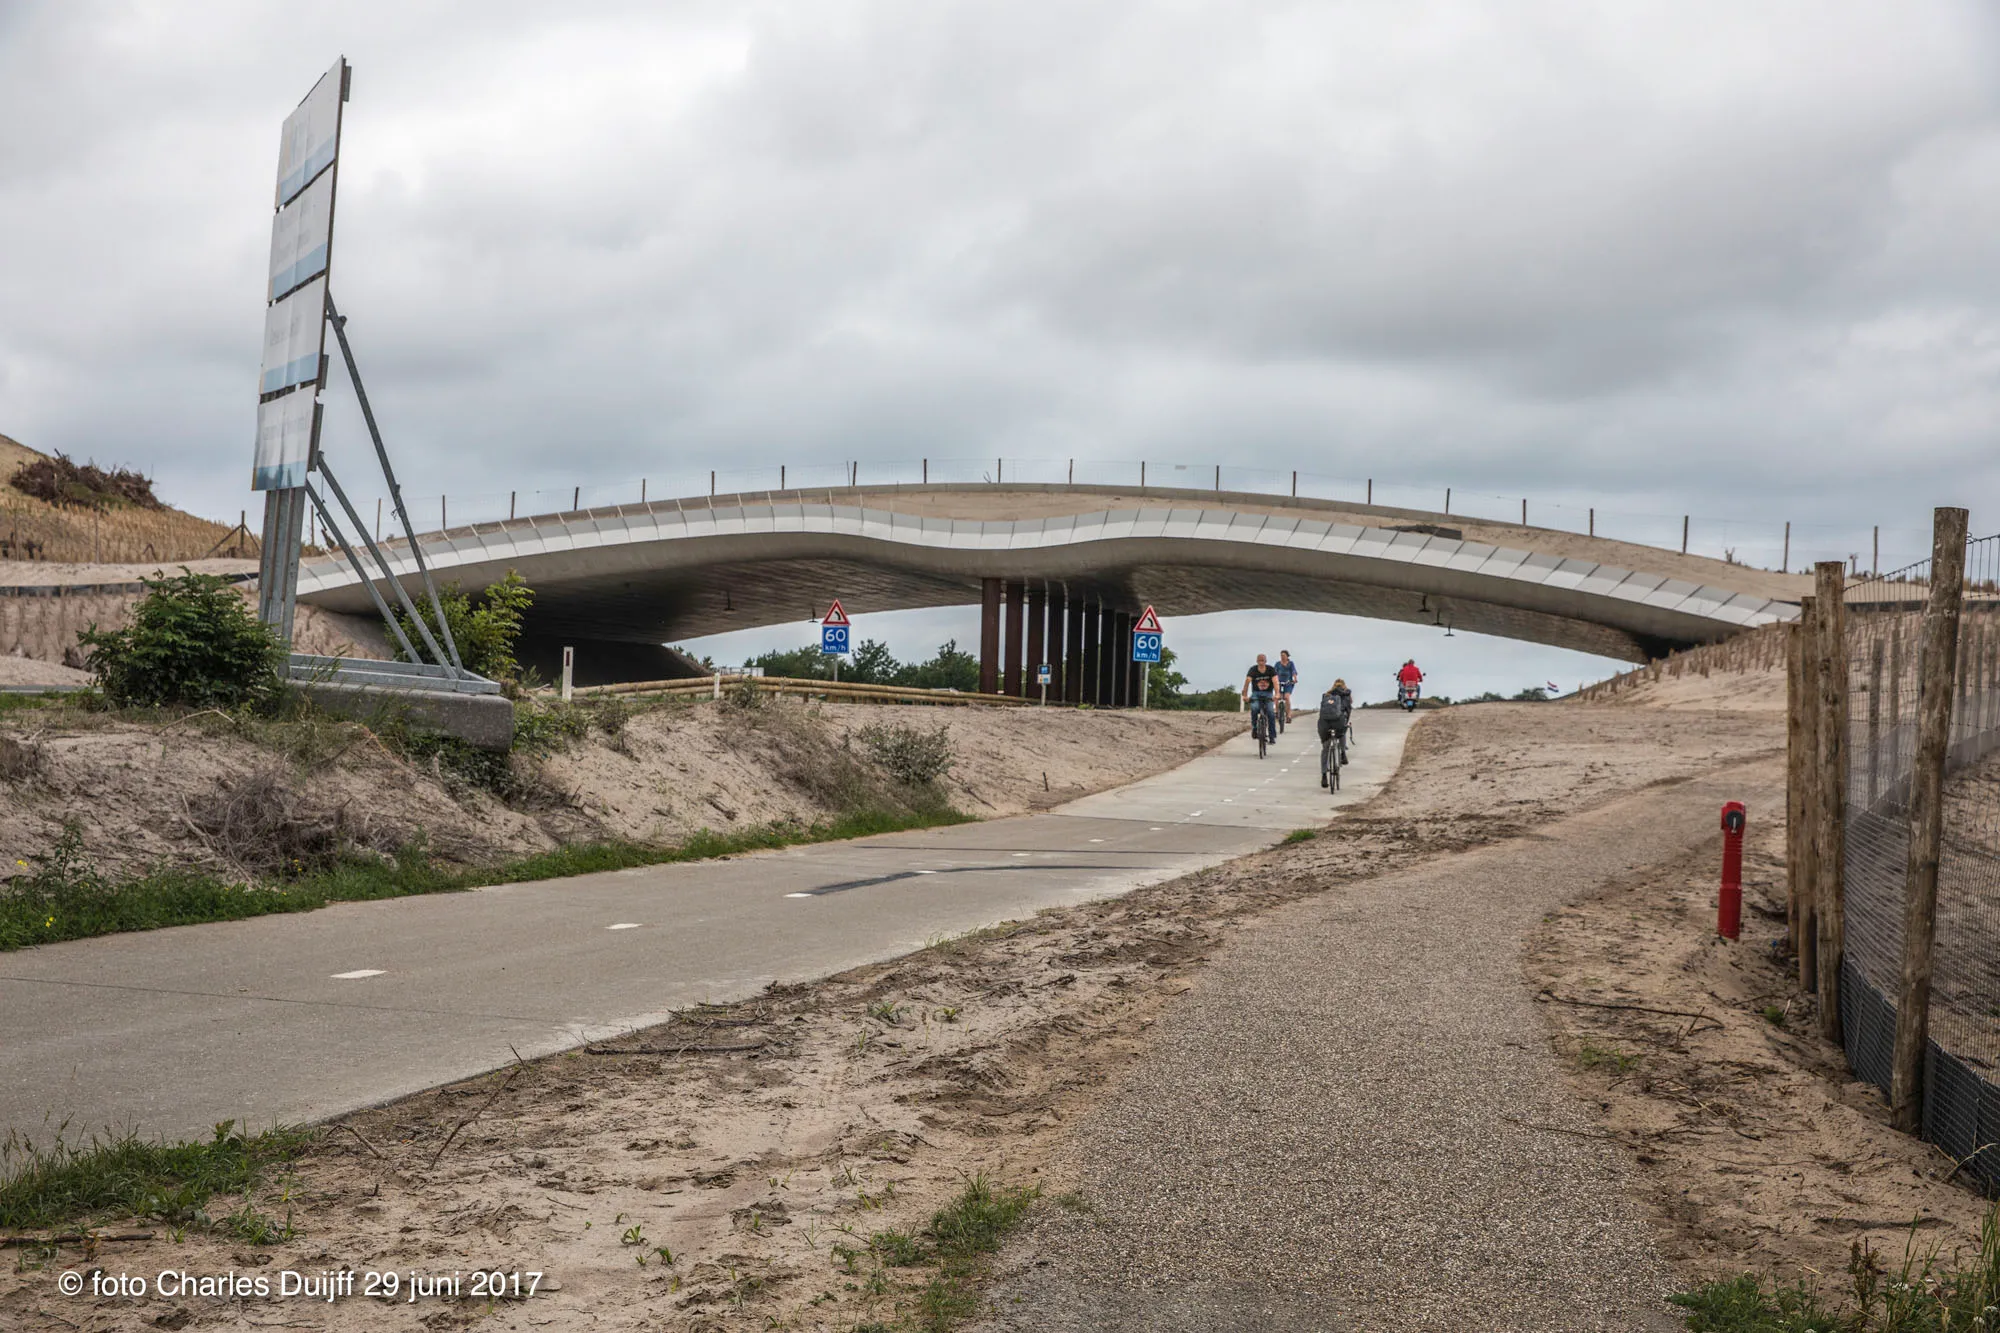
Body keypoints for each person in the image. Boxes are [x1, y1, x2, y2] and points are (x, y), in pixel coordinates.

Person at [1317, 678, 1354, 785]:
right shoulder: (1347, 694)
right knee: (1342, 731)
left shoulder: (1326, 695)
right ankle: (1343, 753)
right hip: (1339, 723)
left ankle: (1324, 775)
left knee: (1325, 748)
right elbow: (1348, 710)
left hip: (1325, 724)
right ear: (1344, 685)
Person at [1242, 653, 1280, 742]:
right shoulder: (1253, 669)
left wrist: (1277, 694)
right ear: (1257, 661)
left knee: (1270, 712)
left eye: (1263, 660)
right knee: (1254, 708)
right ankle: (1255, 728)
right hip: (1256, 693)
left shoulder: (1271, 669)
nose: (1261, 662)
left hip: (1268, 693)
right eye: (1259, 660)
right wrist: (1245, 695)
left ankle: (1272, 735)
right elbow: (1247, 681)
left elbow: (1275, 682)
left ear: (1266, 661)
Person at [1275, 650, 1299, 722]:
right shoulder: (1278, 664)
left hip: (1288, 683)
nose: (1282, 657)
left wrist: (1295, 679)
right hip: (1278, 683)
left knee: (1286, 697)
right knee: (1277, 697)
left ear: (1287, 656)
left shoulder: (1291, 664)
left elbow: (1294, 672)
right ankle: (1276, 712)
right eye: (1281, 655)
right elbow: (1274, 672)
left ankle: (1288, 716)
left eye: (1284, 655)